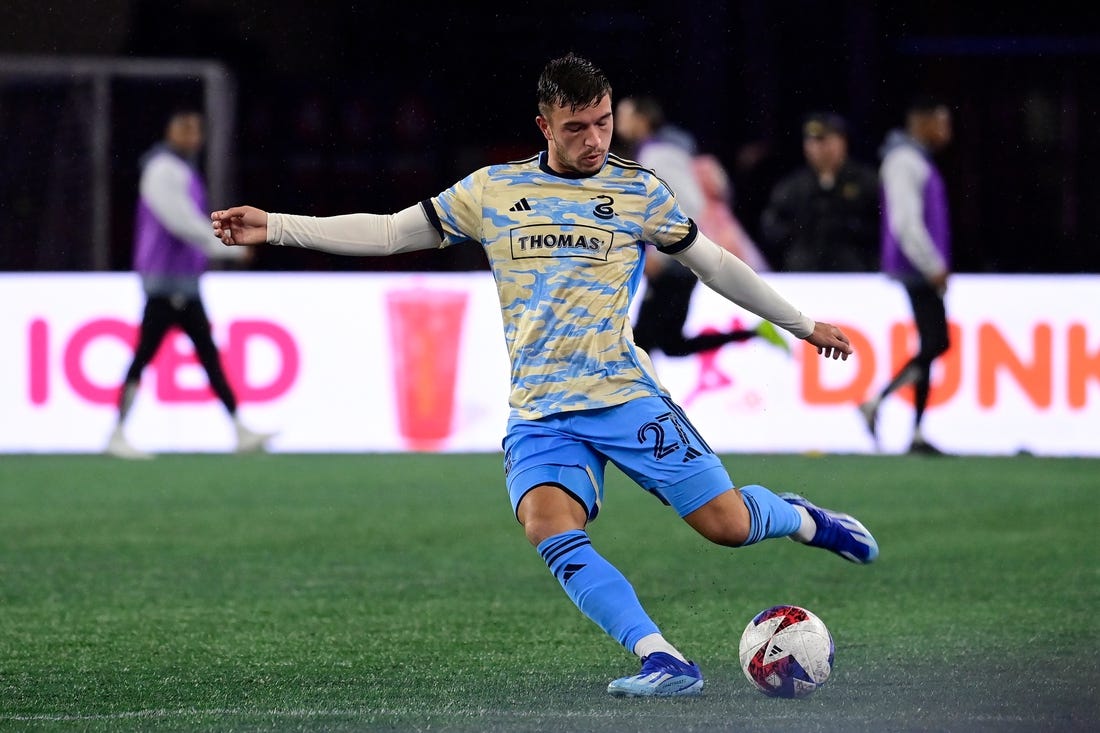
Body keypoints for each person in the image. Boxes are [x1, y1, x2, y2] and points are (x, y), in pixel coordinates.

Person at [211, 53, 878, 698]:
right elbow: (388, 233)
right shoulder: (493, 191)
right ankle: (662, 656)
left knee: (727, 526)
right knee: (547, 526)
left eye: (604, 122)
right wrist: (275, 225)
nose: (594, 140)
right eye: (577, 127)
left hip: (625, 398)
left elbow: (715, 263)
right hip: (540, 410)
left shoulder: (637, 191)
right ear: (544, 126)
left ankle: (800, 517)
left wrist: (800, 322)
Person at [106, 108, 274, 459]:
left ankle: (239, 429)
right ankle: (117, 432)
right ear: (169, 132)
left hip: (182, 281)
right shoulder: (163, 169)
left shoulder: (180, 169)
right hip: (167, 281)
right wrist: (223, 247)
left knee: (205, 356)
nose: (192, 136)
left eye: (196, 130)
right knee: (149, 357)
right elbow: (179, 220)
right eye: (184, 128)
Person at [613, 95, 789, 358]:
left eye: (623, 115)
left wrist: (661, 256)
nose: (617, 123)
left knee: (644, 344)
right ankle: (756, 333)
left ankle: (637, 399)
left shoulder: (658, 153)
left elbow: (689, 204)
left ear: (643, 119)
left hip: (676, 262)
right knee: (668, 344)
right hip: (677, 261)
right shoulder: (656, 151)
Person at [858, 95, 954, 455]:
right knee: (935, 343)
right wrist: (932, 265)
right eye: (941, 122)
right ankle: (877, 402)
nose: (946, 132)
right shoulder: (905, 161)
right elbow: (906, 222)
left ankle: (915, 430)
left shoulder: (914, 160)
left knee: (931, 344)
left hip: (917, 267)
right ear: (922, 122)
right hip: (915, 268)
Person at [760, 112, 880, 272]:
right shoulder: (794, 186)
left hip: (854, 272)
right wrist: (799, 233)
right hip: (804, 271)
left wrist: (851, 229)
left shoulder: (866, 181)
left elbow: (881, 226)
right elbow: (771, 226)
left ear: (842, 142)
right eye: (812, 142)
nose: (818, 148)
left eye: (825, 141)